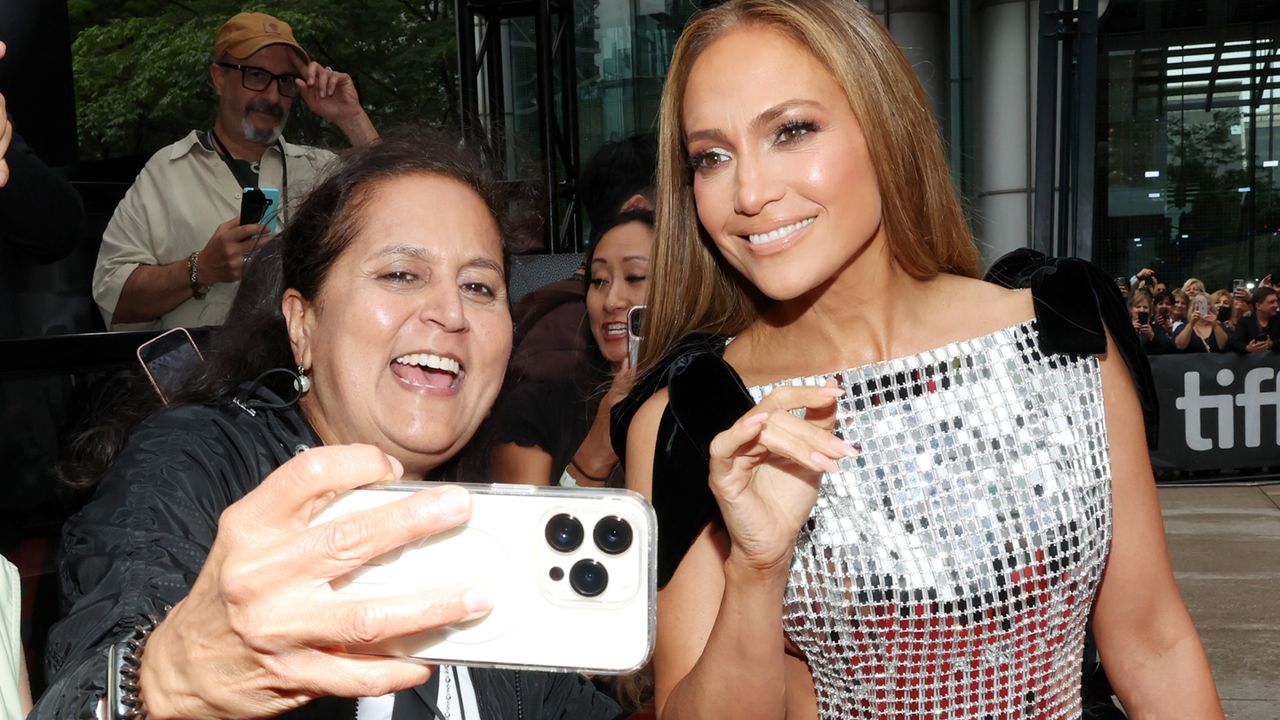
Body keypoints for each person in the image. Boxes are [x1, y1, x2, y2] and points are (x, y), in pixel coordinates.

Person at [613, 1, 1222, 718]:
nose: (749, 194)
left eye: (791, 130)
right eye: (711, 157)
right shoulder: (699, 422)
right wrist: (757, 570)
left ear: (883, 124)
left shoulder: (1062, 334)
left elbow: (1151, 644)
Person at [33, 132, 620, 720]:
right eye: (400, 275)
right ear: (302, 324)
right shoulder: (194, 468)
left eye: (479, 287)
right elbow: (89, 678)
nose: (451, 313)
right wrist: (163, 682)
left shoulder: (480, 528)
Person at [92, 12, 380, 332]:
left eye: (284, 81)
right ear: (219, 79)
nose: (272, 97)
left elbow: (402, 209)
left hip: (304, 377)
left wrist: (352, 118)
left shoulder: (320, 170)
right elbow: (112, 297)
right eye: (255, 75)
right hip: (200, 380)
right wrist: (200, 269)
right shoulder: (166, 173)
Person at [494, 209, 654, 488]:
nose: (612, 301)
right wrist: (598, 449)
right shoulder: (535, 410)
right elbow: (530, 529)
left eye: (635, 277)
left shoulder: (712, 395)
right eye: (599, 280)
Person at [1229, 286, 1278, 353]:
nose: (1276, 305)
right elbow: (1235, 343)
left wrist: (1272, 344)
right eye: (1272, 302)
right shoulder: (1245, 321)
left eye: (1277, 301)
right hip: (1252, 362)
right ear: (1258, 305)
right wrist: (1247, 348)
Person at [1128, 289, 1172, 355]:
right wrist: (1129, 332)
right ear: (1131, 309)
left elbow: (1167, 350)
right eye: (1138, 307)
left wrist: (1152, 336)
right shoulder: (1123, 328)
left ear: (1150, 310)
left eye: (1145, 307)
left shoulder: (1157, 329)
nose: (1142, 310)